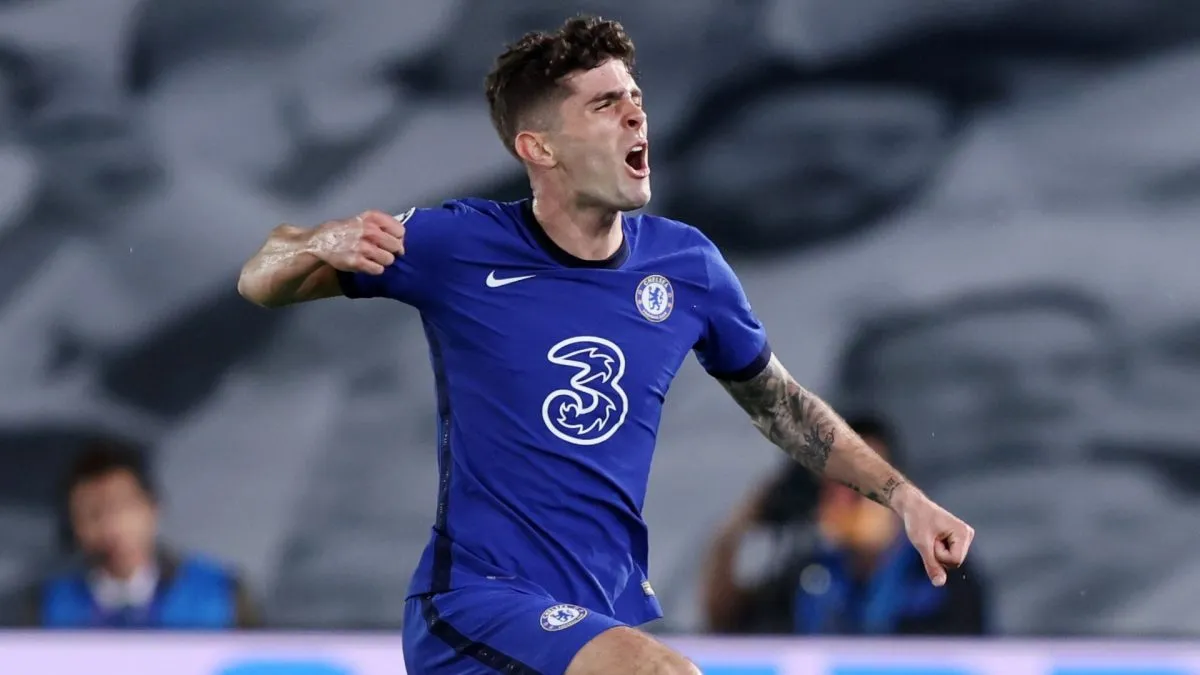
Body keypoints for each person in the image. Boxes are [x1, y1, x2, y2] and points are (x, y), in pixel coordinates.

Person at [237, 15, 973, 675]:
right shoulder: (457, 244)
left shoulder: (687, 267)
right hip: (474, 608)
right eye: (604, 104)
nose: (635, 116)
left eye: (636, 99)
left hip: (585, 624)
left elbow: (781, 406)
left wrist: (903, 497)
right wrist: (316, 241)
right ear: (540, 147)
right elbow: (260, 279)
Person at [702, 414, 988, 636]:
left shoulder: (942, 581)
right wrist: (743, 521)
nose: (841, 497)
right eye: (832, 484)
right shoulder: (811, 574)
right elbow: (727, 627)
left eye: (862, 487)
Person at [15, 438, 260, 628]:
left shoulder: (221, 594)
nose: (111, 525)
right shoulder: (46, 608)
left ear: (153, 509)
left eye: (122, 506)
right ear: (74, 527)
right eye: (92, 513)